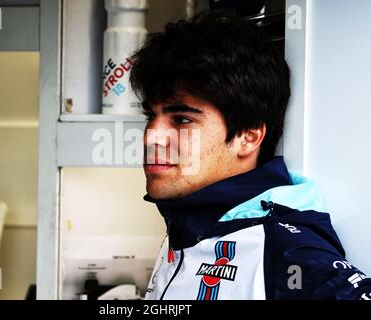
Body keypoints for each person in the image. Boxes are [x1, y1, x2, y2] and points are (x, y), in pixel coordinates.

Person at [129, 11, 371, 300]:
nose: (151, 136)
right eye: (150, 116)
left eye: (181, 120)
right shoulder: (192, 222)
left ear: (249, 136)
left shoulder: (287, 253)